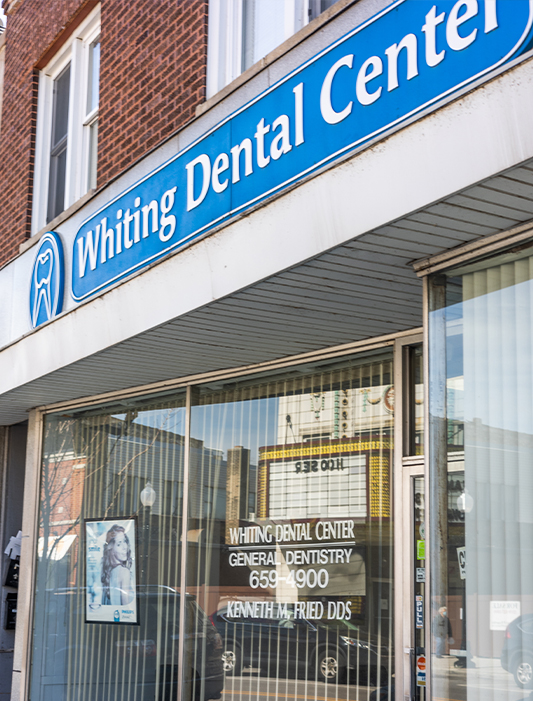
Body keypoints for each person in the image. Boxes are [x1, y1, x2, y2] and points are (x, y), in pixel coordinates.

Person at [101, 524, 134, 606]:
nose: (125, 547)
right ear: (111, 549)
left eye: (125, 541)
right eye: (119, 544)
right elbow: (126, 608)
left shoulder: (108, 572)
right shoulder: (124, 572)